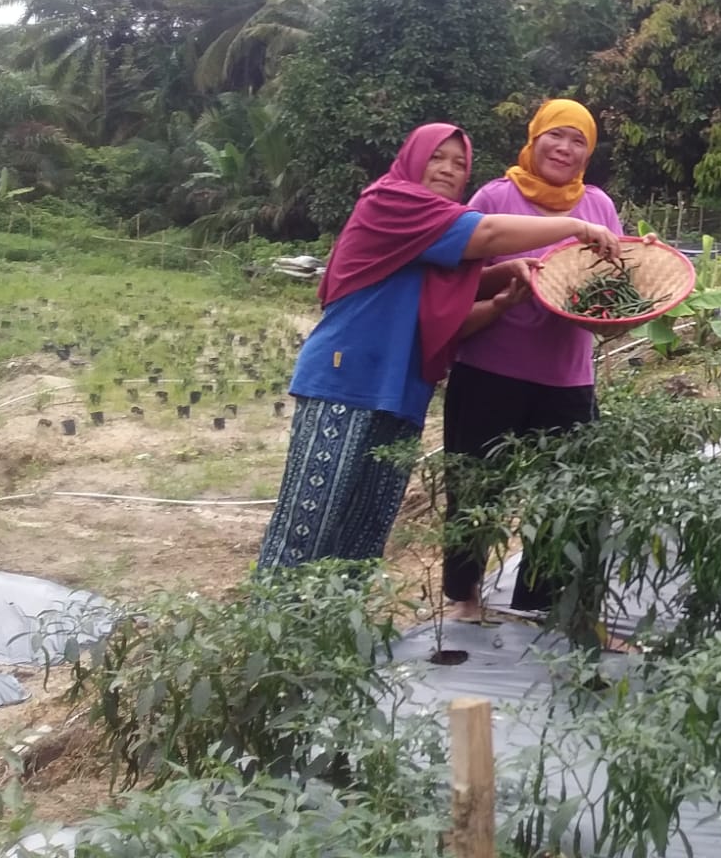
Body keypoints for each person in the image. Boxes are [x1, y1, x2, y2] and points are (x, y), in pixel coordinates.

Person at [256, 122, 622, 571]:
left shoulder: (439, 232)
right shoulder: (392, 201)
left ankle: (342, 615)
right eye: (437, 157)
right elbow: (488, 234)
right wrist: (576, 226)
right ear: (412, 158)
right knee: (308, 526)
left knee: (363, 535)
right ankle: (278, 613)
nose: (448, 169)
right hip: (346, 382)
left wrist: (503, 291)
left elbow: (451, 310)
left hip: (403, 392)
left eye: (459, 163)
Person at [440, 99, 624, 622]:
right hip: (489, 370)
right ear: (534, 137)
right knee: (475, 485)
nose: (564, 149)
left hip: (567, 377)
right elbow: (458, 283)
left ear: (589, 152)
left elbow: (616, 281)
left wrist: (629, 271)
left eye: (578, 141)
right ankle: (464, 597)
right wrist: (509, 280)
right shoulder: (496, 196)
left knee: (569, 494)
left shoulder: (598, 205)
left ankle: (541, 602)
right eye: (555, 136)